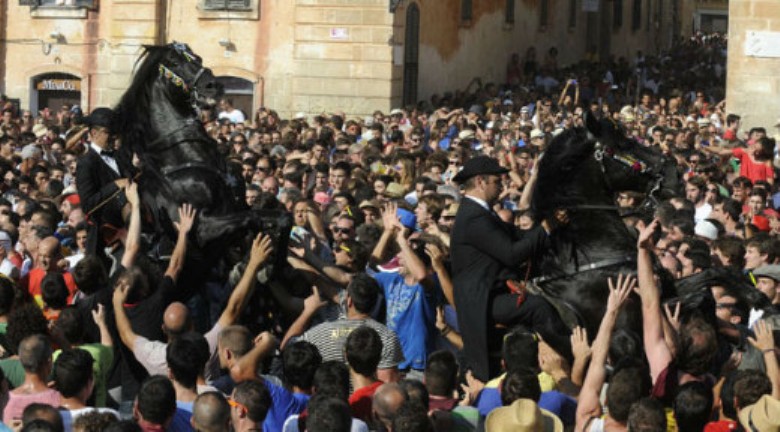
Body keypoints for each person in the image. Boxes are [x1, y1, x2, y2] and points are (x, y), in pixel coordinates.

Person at [449, 156, 570, 381]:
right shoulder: (473, 217)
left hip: (493, 292)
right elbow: (512, 253)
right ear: (480, 181)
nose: (502, 185)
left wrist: (550, 225)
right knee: (538, 307)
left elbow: (516, 235)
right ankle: (572, 354)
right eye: (497, 180)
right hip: (484, 301)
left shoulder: (482, 212)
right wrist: (544, 228)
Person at [74, 107, 131, 257]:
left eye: (114, 133)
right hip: (104, 239)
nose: (112, 137)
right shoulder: (86, 163)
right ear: (94, 133)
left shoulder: (120, 156)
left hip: (132, 231)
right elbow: (88, 205)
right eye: (108, 133)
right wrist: (115, 185)